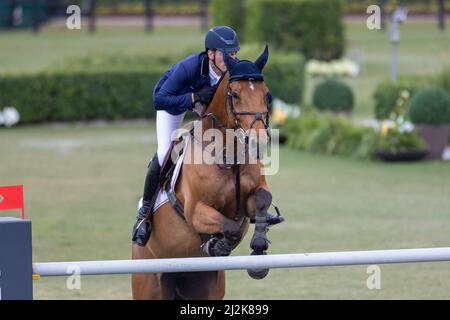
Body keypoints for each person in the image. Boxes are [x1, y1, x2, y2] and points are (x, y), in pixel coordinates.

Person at [132, 26, 282, 247]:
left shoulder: (232, 68)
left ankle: (256, 208)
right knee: (166, 151)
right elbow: (159, 99)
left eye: (234, 53)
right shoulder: (190, 68)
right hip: (174, 103)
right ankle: (144, 213)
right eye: (225, 53)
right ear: (210, 53)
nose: (231, 58)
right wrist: (192, 97)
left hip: (207, 108)